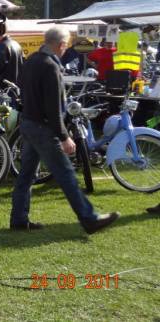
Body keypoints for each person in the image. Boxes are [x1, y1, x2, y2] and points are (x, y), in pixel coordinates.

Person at [10, 26, 119, 234]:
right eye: (66, 44)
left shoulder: (32, 60)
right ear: (61, 45)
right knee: (65, 173)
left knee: (26, 175)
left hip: (28, 123)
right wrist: (64, 136)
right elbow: (53, 107)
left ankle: (18, 218)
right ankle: (89, 218)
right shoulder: (51, 66)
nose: (66, 48)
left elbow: (23, 90)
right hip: (42, 127)